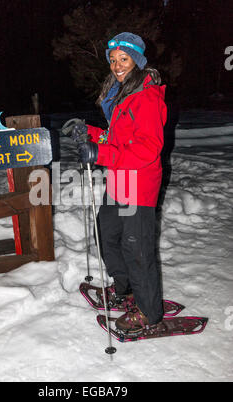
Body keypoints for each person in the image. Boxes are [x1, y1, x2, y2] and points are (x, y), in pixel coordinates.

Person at [71, 32, 167, 333]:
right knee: (107, 234)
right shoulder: (122, 94)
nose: (116, 65)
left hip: (139, 185)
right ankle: (124, 289)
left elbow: (147, 149)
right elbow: (116, 138)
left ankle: (149, 311)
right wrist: (88, 131)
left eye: (123, 59)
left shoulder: (146, 98)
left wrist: (100, 152)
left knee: (136, 248)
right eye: (113, 60)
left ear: (137, 61)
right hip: (120, 180)